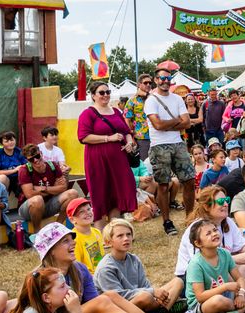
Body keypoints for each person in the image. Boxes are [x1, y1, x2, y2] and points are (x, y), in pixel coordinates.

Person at [35, 223, 194, 313]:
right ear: (51, 250)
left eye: (72, 239)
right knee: (108, 298)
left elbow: (95, 305)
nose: (74, 243)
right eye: (65, 241)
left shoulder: (79, 269)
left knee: (109, 296)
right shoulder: (39, 279)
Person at [177, 185, 245, 285]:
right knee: (224, 271)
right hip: (195, 276)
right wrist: (234, 259)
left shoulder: (228, 222)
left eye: (227, 200)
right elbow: (201, 263)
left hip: (221, 270)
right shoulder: (197, 228)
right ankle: (243, 284)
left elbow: (242, 245)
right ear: (207, 207)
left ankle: (240, 284)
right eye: (220, 202)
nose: (225, 204)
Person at [77, 81, 138, 224]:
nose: (106, 95)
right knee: (101, 193)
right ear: (93, 95)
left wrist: (129, 142)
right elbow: (83, 137)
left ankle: (114, 229)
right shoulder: (88, 113)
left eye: (108, 92)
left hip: (119, 160)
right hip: (98, 160)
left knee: (117, 192)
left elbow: (126, 131)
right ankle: (101, 231)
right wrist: (108, 138)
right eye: (101, 93)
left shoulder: (116, 111)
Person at [145, 67, 197, 234]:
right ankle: (167, 221)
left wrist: (168, 124)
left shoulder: (177, 99)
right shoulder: (151, 100)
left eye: (168, 79)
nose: (165, 81)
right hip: (159, 146)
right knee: (163, 185)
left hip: (178, 143)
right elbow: (157, 125)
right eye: (162, 78)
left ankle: (190, 219)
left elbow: (187, 123)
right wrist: (176, 122)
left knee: (189, 180)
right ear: (156, 80)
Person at [95, 219, 184, 313]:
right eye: (120, 236)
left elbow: (144, 285)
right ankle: (167, 307)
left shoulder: (134, 259)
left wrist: (155, 295)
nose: (126, 238)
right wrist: (152, 292)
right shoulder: (106, 268)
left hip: (140, 298)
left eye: (128, 234)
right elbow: (118, 297)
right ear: (108, 242)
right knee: (145, 297)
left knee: (178, 281)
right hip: (118, 309)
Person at [185, 220, 245, 313]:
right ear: (198, 243)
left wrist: (241, 294)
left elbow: (239, 278)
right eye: (208, 233)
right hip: (203, 304)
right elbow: (200, 297)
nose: (214, 234)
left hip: (225, 295)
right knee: (218, 300)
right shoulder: (195, 263)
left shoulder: (224, 254)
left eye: (215, 230)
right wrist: (225, 287)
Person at [17, 144, 80, 231]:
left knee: (73, 193)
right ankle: (37, 232)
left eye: (37, 156)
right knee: (37, 200)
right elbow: (30, 195)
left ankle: (58, 227)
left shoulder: (53, 165)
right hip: (28, 209)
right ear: (27, 160)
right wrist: (54, 187)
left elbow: (63, 187)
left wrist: (44, 188)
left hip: (49, 204)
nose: (35, 160)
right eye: (31, 159)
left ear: (41, 153)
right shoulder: (24, 170)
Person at [66, 199, 104, 274]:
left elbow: (101, 256)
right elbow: (77, 267)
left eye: (89, 209)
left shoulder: (96, 232)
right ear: (72, 219)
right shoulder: (74, 239)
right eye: (81, 212)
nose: (87, 213)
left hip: (102, 271)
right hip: (88, 277)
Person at [123, 74, 153, 162]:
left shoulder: (153, 98)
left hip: (157, 136)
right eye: (145, 83)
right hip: (142, 137)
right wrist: (131, 138)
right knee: (145, 163)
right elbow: (127, 120)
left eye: (150, 83)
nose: (148, 85)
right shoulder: (132, 100)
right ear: (139, 85)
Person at [0, 131, 27, 197]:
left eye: (12, 140)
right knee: (2, 177)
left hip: (18, 179)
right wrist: (14, 170)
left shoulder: (19, 151)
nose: (10, 143)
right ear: (2, 144)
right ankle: (2, 201)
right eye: (6, 141)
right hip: (5, 180)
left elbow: (26, 165)